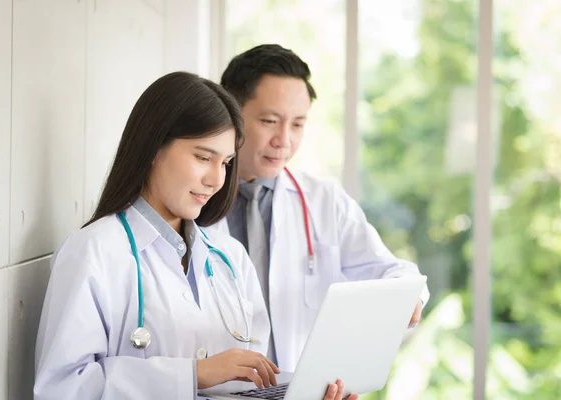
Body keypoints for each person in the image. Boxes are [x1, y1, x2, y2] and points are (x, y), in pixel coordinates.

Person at [33, 72, 279, 399]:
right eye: (203, 157)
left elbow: (254, 378)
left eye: (226, 162)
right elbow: (63, 388)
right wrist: (191, 375)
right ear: (153, 148)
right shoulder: (94, 252)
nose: (216, 179)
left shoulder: (230, 257)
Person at [214, 44, 430, 373]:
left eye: (298, 124)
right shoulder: (195, 199)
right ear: (231, 114)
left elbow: (392, 272)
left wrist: (407, 297)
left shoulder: (325, 201)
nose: (284, 140)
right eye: (270, 121)